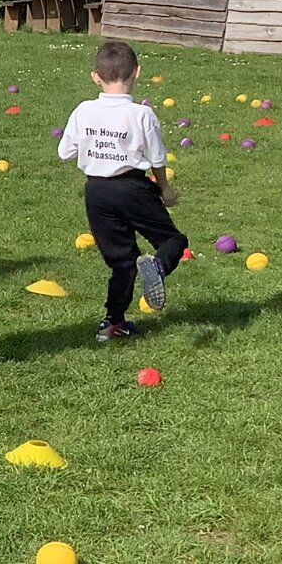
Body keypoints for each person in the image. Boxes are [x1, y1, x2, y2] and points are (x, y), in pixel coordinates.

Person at [58, 39, 187, 341]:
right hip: (132, 188)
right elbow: (157, 159)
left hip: (97, 193)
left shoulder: (84, 110)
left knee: (122, 262)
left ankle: (111, 324)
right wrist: (165, 189)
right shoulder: (141, 114)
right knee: (173, 239)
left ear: (95, 76)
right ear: (137, 72)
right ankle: (157, 264)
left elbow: (65, 152)